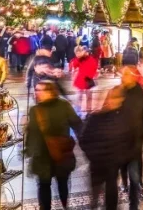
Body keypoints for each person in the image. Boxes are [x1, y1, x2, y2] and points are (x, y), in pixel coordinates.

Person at [25, 80, 82, 210]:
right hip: (44, 155)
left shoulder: (61, 106)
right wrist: (28, 150)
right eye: (36, 90)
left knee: (60, 183)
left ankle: (63, 204)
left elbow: (77, 124)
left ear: (51, 92)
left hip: (58, 154)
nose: (37, 93)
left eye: (41, 90)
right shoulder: (35, 109)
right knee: (46, 185)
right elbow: (33, 132)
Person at [80, 86, 130, 210]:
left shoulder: (123, 118)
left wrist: (120, 158)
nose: (115, 101)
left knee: (111, 196)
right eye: (113, 97)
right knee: (95, 195)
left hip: (112, 166)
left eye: (118, 98)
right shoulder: (96, 117)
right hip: (97, 165)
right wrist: (93, 156)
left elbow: (127, 140)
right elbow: (84, 140)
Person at [118, 66, 143, 209]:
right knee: (123, 164)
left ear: (133, 76)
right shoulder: (119, 91)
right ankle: (124, 184)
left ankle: (135, 195)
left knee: (135, 168)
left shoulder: (139, 90)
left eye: (126, 74)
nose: (123, 76)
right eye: (123, 74)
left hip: (136, 138)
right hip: (121, 138)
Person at [70, 47, 99, 113]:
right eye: (77, 53)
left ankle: (88, 111)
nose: (83, 53)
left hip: (88, 80)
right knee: (79, 96)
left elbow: (95, 69)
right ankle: (78, 111)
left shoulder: (91, 59)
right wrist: (78, 57)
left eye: (84, 52)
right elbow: (74, 65)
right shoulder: (80, 59)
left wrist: (90, 76)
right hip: (81, 80)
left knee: (88, 97)